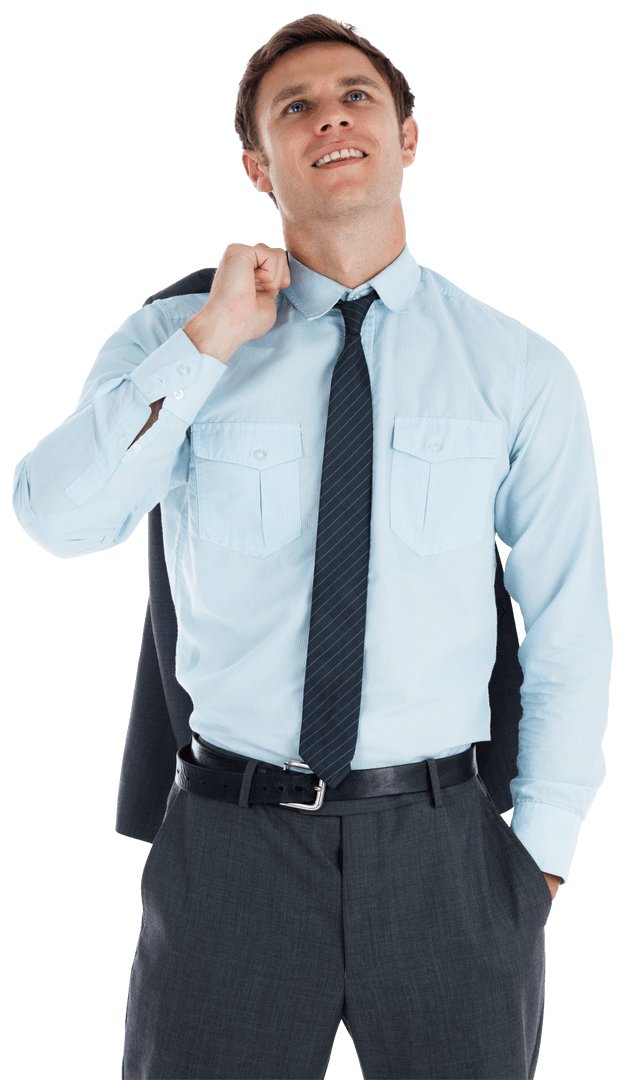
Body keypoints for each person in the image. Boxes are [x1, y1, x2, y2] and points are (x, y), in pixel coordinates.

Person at [11, 13, 612, 1080]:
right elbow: (58, 519)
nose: (329, 115)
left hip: (445, 851)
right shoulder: (175, 337)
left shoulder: (516, 369)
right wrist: (208, 346)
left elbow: (569, 626)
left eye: (355, 97)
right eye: (295, 108)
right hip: (229, 847)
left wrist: (539, 859)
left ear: (406, 137)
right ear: (259, 163)